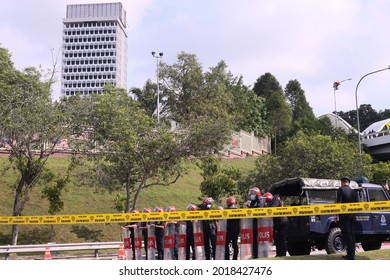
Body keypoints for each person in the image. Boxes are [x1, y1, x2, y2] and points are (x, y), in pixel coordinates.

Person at [337, 177, 358, 260]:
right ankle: (352, 253)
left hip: (344, 215)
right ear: (348, 183)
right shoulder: (354, 191)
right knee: (352, 234)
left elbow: (338, 203)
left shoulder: (340, 189)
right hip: (353, 215)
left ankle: (350, 255)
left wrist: (335, 214)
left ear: (342, 183)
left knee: (346, 234)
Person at [263, 192, 288, 257]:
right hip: (277, 223)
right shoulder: (272, 203)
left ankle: (283, 254)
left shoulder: (276, 202)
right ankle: (279, 254)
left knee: (281, 239)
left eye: (265, 199)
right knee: (277, 239)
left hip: (282, 223)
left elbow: (273, 209)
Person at [248, 187, 262, 258]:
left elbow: (259, 211)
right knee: (253, 239)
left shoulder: (260, 201)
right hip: (253, 222)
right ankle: (254, 254)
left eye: (253, 193)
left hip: (258, 223)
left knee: (257, 239)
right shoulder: (252, 202)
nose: (251, 195)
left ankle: (257, 255)